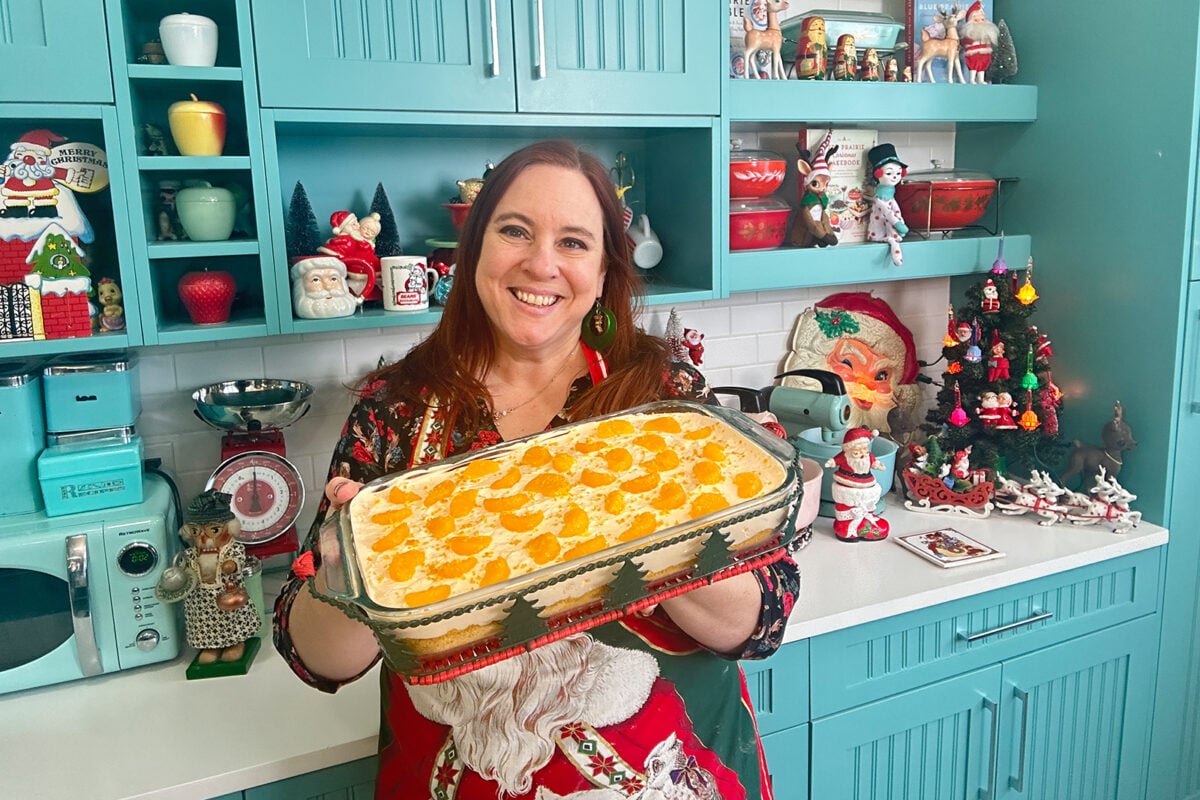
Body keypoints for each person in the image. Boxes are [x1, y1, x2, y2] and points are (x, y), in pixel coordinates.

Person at [274, 140, 799, 799]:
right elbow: (317, 659)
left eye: (575, 242)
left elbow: (760, 621)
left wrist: (633, 520)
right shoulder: (396, 411)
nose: (541, 263)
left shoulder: (663, 403)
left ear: (605, 270)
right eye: (515, 230)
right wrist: (350, 572)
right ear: (475, 252)